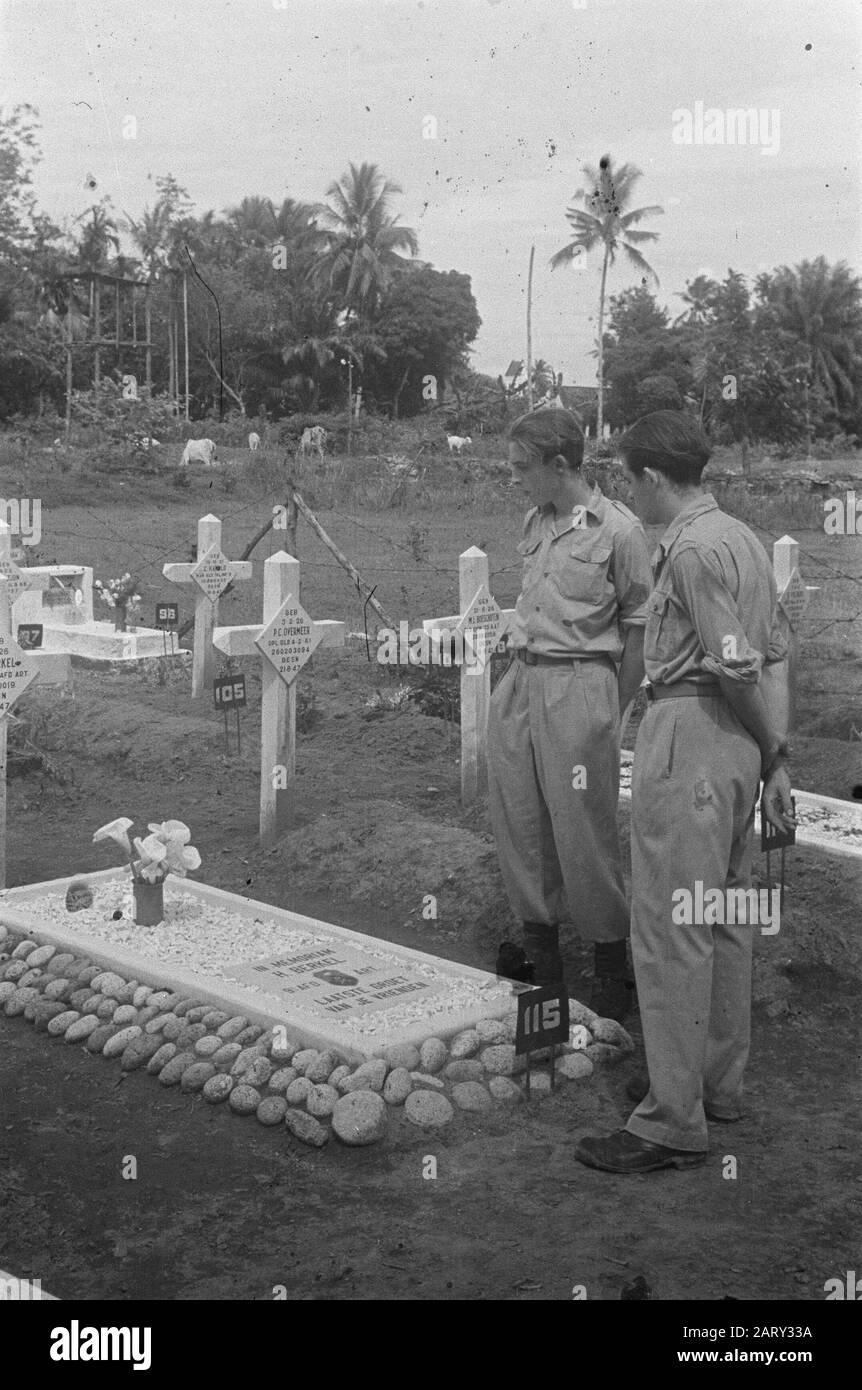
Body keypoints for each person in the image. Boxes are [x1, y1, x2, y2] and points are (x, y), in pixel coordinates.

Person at [575, 411, 795, 1175]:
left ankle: (671, 1119)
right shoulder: (744, 540)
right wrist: (772, 760)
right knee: (727, 917)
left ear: (654, 478)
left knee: (671, 927)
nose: (628, 494)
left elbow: (736, 665)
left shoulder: (695, 550)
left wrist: (773, 749)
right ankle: (713, 1085)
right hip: (739, 749)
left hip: (695, 732)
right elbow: (772, 658)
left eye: (631, 480)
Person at [487, 406, 652, 1020]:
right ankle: (542, 959)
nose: (515, 479)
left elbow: (638, 630)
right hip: (523, 680)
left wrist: (611, 700)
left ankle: (610, 969)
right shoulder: (537, 517)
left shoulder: (621, 531)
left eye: (522, 467)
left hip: (581, 686)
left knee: (583, 825)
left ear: (561, 465)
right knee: (520, 821)